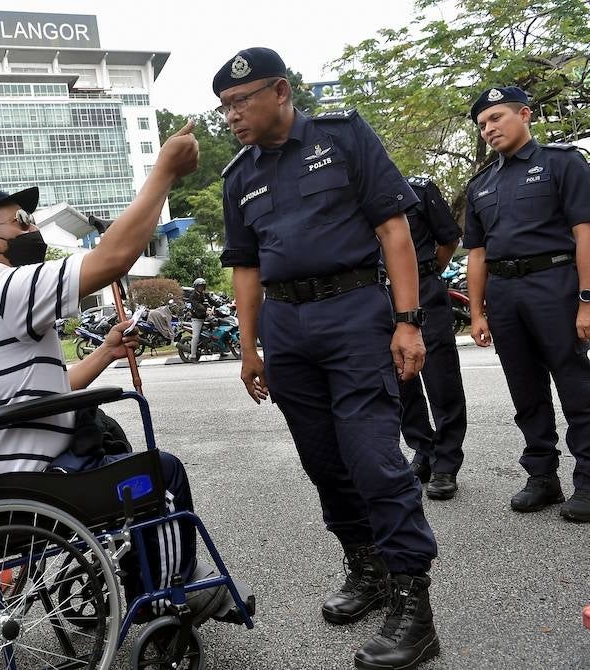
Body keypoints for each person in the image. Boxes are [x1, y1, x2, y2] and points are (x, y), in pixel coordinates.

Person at [0, 123, 252, 624]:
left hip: (6, 476)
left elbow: (50, 389)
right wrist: (164, 172)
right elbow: (113, 259)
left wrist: (105, 353)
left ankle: (147, 571)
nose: (32, 229)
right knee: (161, 472)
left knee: (110, 441)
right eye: (21, 221)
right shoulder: (8, 288)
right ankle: (168, 596)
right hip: (31, 484)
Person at [214, 47, 440, 669]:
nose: (231, 116)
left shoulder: (343, 137)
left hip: (353, 313)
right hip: (286, 328)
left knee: (373, 459)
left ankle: (413, 605)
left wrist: (407, 321)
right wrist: (248, 347)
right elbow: (246, 268)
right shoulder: (238, 176)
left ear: (280, 91)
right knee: (323, 461)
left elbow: (393, 229)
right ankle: (366, 568)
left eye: (240, 101)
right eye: (224, 106)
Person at [464, 85, 590, 522]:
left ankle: (588, 480)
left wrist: (586, 300)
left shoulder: (563, 162)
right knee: (525, 390)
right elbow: (476, 254)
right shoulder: (481, 184)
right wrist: (477, 312)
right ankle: (542, 476)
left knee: (576, 386)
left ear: (524, 115)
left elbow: (584, 233)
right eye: (482, 124)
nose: (488, 129)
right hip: (504, 292)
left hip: (554, 283)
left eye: (496, 117)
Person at [399, 176, 468, 500]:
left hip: (425, 289)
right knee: (401, 383)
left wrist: (425, 274)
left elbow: (449, 239)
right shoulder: (357, 197)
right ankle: (423, 451)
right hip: (382, 296)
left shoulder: (418, 190)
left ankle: (446, 463)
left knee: (442, 380)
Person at [188, 277, 213, 361]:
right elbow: (197, 306)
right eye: (199, 286)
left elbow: (212, 301)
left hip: (205, 317)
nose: (201, 288)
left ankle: (220, 350)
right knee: (196, 336)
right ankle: (193, 356)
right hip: (197, 319)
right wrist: (206, 310)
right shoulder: (192, 296)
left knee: (215, 329)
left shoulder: (204, 294)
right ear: (196, 287)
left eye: (202, 286)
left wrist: (222, 306)